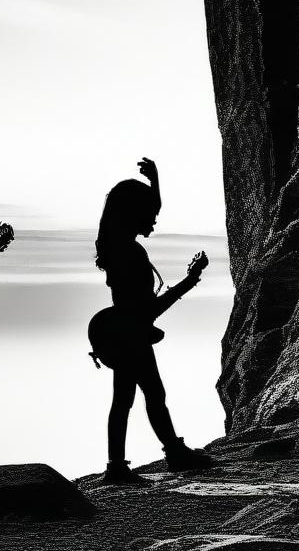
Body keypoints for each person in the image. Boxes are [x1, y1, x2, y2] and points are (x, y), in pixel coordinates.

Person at [90, 156, 213, 481]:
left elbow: (151, 207)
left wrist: (156, 179)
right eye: (149, 215)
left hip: (124, 333)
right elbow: (148, 311)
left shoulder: (120, 248)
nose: (155, 221)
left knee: (128, 399)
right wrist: (189, 281)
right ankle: (171, 454)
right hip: (132, 335)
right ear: (134, 215)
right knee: (149, 395)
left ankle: (122, 465)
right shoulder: (130, 254)